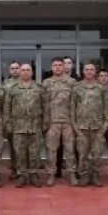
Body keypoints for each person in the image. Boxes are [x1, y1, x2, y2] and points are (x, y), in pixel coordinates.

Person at [4, 62, 44, 187]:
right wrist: (8, 124)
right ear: (20, 72)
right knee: (20, 153)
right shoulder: (13, 89)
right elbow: (7, 108)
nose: (25, 72)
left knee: (34, 153)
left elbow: (45, 107)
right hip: (18, 126)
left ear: (32, 72)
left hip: (35, 126)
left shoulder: (39, 88)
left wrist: (44, 124)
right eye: (23, 70)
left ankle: (33, 175)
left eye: (28, 70)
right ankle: (21, 175)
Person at [72, 63, 108, 187]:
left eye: (91, 69)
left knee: (97, 153)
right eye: (86, 69)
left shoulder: (101, 88)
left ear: (95, 72)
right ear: (83, 71)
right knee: (83, 154)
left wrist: (105, 125)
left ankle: (96, 175)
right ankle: (84, 176)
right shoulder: (76, 88)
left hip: (97, 127)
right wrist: (75, 126)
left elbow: (106, 108)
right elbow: (72, 108)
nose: (89, 71)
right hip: (81, 127)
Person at [42, 57, 76, 186]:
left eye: (60, 65)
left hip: (68, 122)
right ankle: (51, 174)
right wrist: (45, 122)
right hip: (52, 122)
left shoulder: (72, 83)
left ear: (64, 67)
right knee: (51, 150)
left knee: (70, 150)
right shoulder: (46, 83)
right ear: (51, 67)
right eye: (55, 65)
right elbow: (44, 104)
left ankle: (72, 173)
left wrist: (75, 123)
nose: (57, 67)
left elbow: (75, 104)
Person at [3, 61, 21, 178]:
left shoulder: (26, 82)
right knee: (13, 148)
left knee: (24, 148)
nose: (15, 70)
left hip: (24, 121)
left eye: (16, 68)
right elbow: (4, 104)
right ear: (10, 70)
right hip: (11, 121)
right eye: (12, 68)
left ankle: (24, 171)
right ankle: (15, 170)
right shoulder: (6, 84)